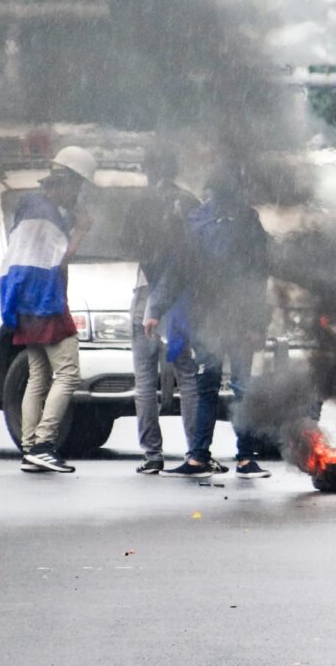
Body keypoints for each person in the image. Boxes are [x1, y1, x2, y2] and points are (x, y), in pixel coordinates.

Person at [150, 163, 272, 479]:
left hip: (206, 317)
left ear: (210, 191)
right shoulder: (249, 222)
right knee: (242, 385)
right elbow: (260, 276)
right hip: (239, 316)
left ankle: (199, 457)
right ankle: (245, 459)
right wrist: (260, 323)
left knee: (208, 385)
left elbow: (177, 271)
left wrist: (155, 309)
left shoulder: (196, 223)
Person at [0, 146, 96, 473]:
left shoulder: (30, 205)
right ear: (65, 181)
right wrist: (82, 229)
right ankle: (42, 443)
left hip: (27, 304)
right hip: (45, 303)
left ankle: (30, 447)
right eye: (78, 187)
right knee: (68, 374)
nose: (78, 195)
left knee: (38, 375)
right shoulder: (45, 212)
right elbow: (57, 260)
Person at [121, 150, 200, 475]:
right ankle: (197, 451)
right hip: (181, 300)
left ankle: (151, 455)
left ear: (148, 171)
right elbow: (196, 255)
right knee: (187, 376)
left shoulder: (140, 204)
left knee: (144, 379)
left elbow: (127, 244)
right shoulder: (191, 202)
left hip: (145, 293)